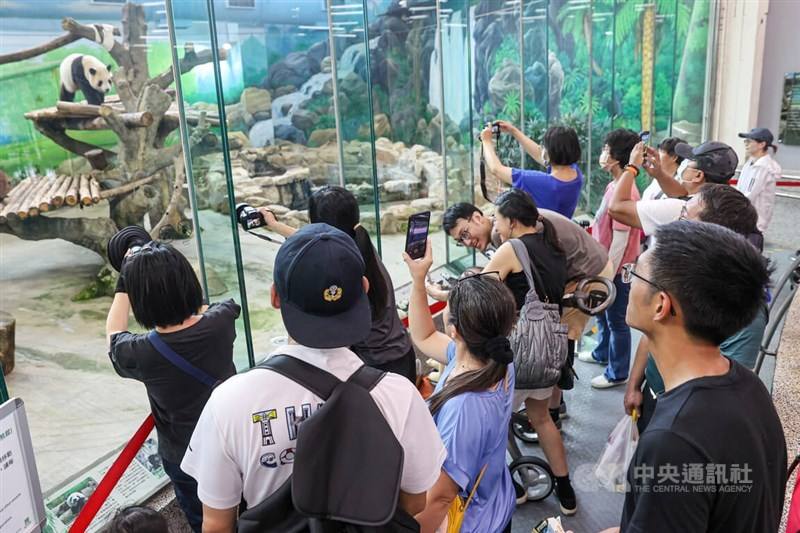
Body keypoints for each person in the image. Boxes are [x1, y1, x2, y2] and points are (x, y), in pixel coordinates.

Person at [181, 224, 445, 533]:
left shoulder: (230, 401)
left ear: (275, 296)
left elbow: (217, 525)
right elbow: (414, 503)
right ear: (364, 288)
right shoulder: (399, 394)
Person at [603, 221, 786, 533]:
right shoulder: (747, 385)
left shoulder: (673, 441)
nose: (628, 281)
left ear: (661, 305)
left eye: (634, 273)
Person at [106, 242, 240, 533]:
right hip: (235, 444)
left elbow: (113, 334)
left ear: (141, 302)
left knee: (201, 519)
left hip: (186, 460)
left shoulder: (140, 353)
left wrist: (125, 279)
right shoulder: (222, 321)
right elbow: (206, 308)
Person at [440, 201, 613, 422]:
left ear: (478, 218)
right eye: (460, 241)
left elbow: (491, 286)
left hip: (589, 276)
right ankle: (550, 406)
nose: (467, 242)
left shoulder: (508, 236)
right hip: (586, 271)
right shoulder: (521, 228)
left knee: (555, 338)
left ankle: (551, 409)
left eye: (465, 233)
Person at [623, 184, 769, 432]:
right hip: (657, 396)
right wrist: (635, 384)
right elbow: (654, 332)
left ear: (710, 235)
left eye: (685, 217)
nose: (677, 221)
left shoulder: (743, 307)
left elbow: (722, 396)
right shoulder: (680, 279)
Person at [404, 239, 516, 533]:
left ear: (453, 330)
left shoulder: (463, 408)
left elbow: (440, 498)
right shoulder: (497, 358)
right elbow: (425, 335)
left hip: (473, 522)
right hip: (496, 502)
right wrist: (418, 279)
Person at [480, 189, 577, 515]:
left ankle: (515, 486)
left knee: (494, 422)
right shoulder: (554, 248)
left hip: (521, 352)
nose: (495, 223)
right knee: (541, 419)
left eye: (497, 217)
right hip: (551, 349)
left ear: (511, 220)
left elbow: (480, 293)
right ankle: (566, 491)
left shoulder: (511, 249)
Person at [259, 186, 415, 382]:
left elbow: (313, 244)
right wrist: (275, 225)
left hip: (375, 368)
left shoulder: (339, 268)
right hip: (402, 356)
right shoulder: (359, 243)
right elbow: (313, 242)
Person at [578, 129, 642, 389]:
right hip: (604, 264)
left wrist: (608, 273)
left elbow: (620, 241)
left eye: (606, 149)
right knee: (603, 314)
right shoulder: (613, 186)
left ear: (616, 157)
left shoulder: (628, 192)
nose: (602, 154)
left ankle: (617, 372)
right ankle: (602, 353)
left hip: (616, 268)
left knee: (617, 320)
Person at [607, 140, 739, 236]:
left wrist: (632, 167)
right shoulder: (720, 203)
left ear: (698, 175)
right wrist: (659, 174)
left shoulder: (682, 210)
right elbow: (682, 194)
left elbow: (616, 208)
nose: (683, 165)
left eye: (688, 162)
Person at [479, 121, 583, 218]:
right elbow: (540, 154)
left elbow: (496, 169)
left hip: (542, 235)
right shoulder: (576, 174)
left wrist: (486, 141)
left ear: (549, 153)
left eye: (543, 147)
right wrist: (513, 131)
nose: (541, 148)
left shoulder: (536, 181)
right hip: (562, 230)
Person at [736, 127, 782, 232]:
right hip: (744, 217)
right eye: (745, 141)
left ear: (762, 144)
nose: (746, 144)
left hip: (754, 221)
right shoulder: (751, 162)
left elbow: (750, 194)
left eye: (749, 141)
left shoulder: (764, 167)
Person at [640, 137, 686, 201]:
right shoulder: (657, 178)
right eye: (658, 151)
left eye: (661, 151)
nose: (655, 155)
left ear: (674, 157)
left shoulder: (681, 182)